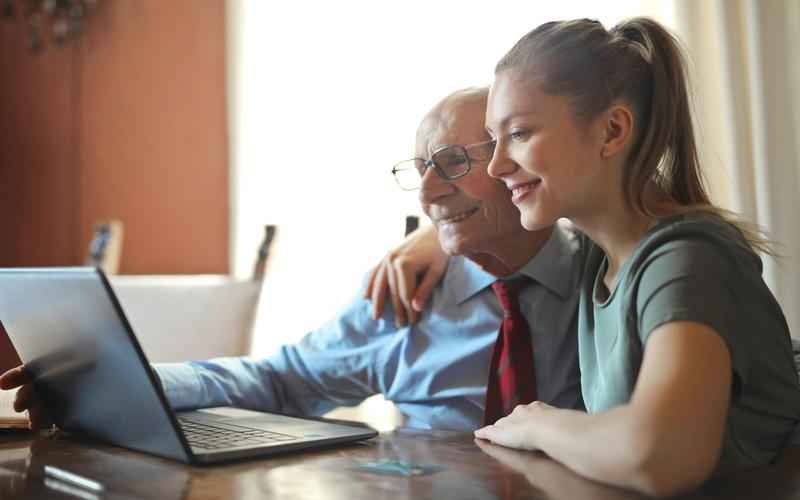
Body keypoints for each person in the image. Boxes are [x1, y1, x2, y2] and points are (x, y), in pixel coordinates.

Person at [369, 17, 800, 497]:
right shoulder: (603, 255)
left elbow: (659, 456)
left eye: (519, 134)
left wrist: (536, 424)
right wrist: (438, 233)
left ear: (612, 131)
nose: (496, 165)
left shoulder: (688, 259)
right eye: (494, 140)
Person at [0, 87, 584, 433]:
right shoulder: (406, 292)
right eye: (420, 168)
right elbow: (280, 379)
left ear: (521, 158)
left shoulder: (613, 273)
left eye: (453, 161)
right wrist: (129, 382)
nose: (428, 193)